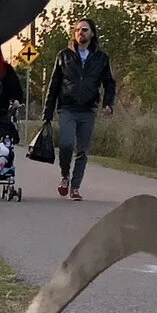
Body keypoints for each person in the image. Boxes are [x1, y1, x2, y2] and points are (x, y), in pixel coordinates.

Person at [41, 17, 114, 199]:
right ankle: (65, 175)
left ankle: (75, 188)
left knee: (82, 150)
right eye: (78, 30)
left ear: (92, 33)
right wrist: (47, 113)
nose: (81, 33)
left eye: (85, 30)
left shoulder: (101, 58)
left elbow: (109, 83)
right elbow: (54, 85)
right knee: (66, 144)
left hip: (88, 110)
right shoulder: (64, 56)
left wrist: (108, 104)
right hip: (67, 108)